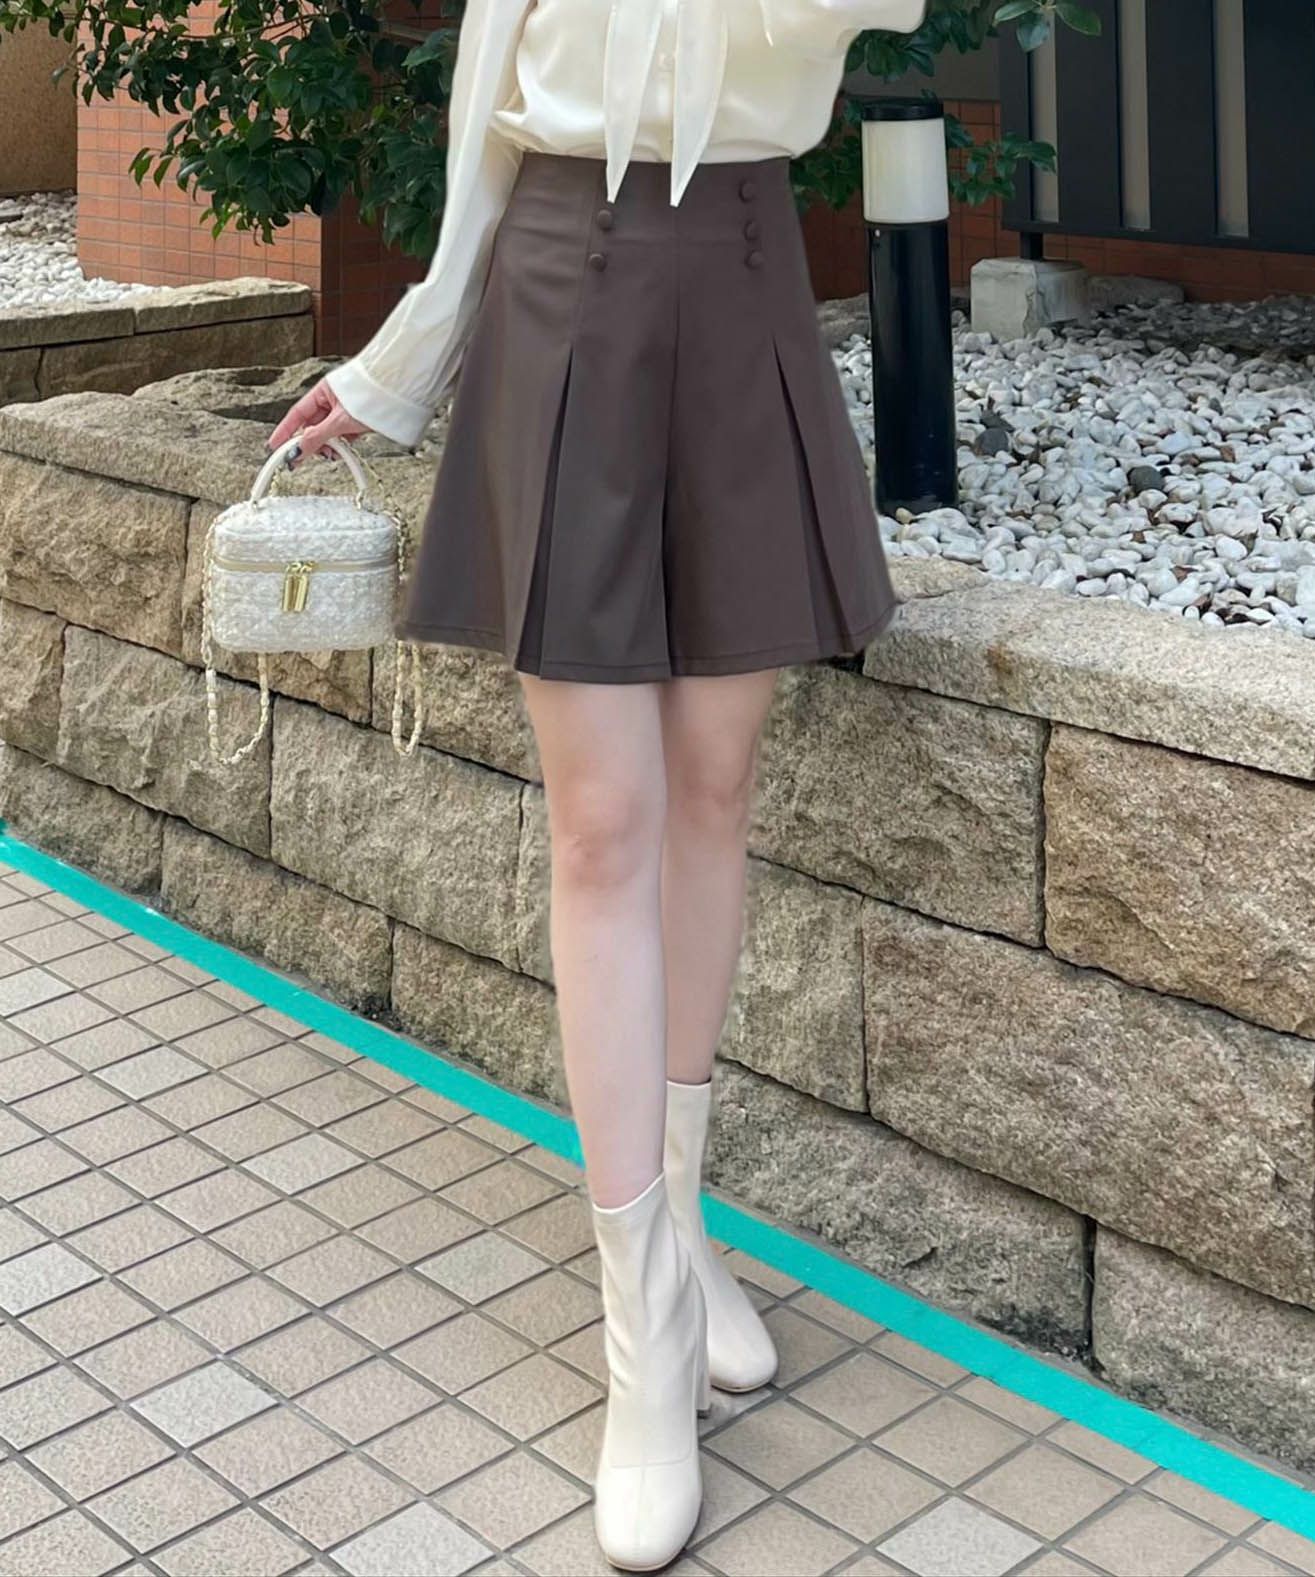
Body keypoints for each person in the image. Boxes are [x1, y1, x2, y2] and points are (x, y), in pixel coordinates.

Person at [270, 0, 926, 1566]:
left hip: (748, 270)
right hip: (564, 276)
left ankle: (684, 1230)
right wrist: (402, 359)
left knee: (714, 787)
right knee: (602, 820)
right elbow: (490, 114)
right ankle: (643, 1333)